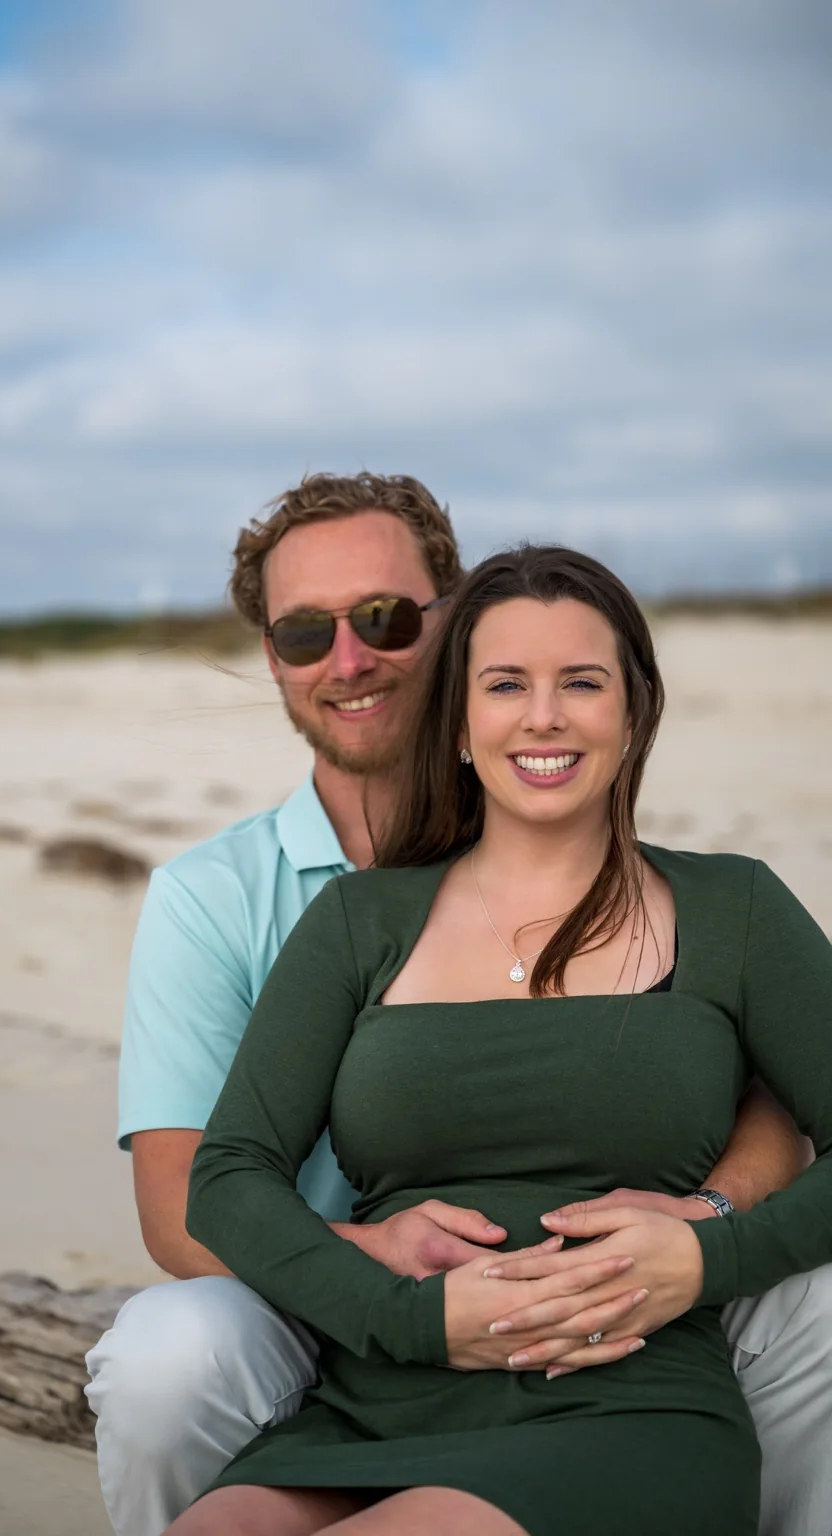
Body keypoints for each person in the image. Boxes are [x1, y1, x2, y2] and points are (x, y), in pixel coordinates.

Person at [85, 476, 828, 1536]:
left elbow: (788, 1109)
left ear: (634, 708)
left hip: (627, 1393)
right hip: (372, 1381)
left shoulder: (730, 904)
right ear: (463, 714)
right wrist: (408, 1313)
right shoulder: (341, 918)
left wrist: (710, 1245)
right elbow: (216, 1183)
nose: (541, 716)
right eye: (507, 685)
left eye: (580, 682)